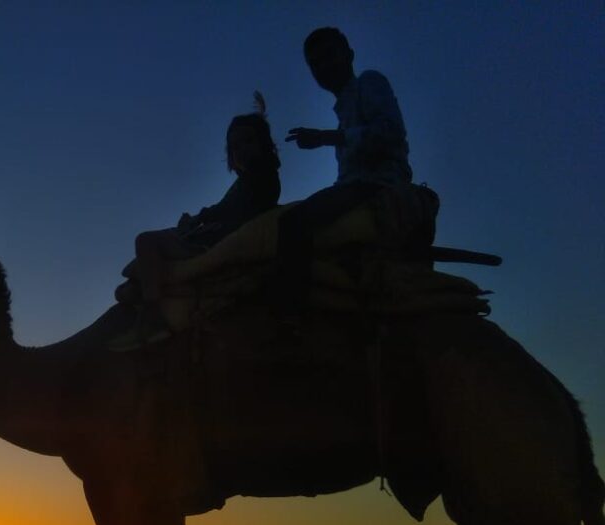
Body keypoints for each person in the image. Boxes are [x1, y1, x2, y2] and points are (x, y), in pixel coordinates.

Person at [110, 99, 281, 351]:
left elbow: (232, 213)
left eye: (248, 141)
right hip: (207, 237)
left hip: (211, 245)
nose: (241, 150)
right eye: (235, 147)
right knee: (137, 274)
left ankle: (153, 317)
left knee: (145, 241)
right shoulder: (245, 182)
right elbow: (222, 210)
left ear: (264, 143)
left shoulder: (262, 176)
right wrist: (198, 219)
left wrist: (201, 222)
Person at [277, 26, 412, 313]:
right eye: (315, 63)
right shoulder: (343, 112)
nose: (323, 67)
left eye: (329, 56)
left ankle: (288, 320)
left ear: (349, 55)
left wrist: (325, 138)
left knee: (293, 224)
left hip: (377, 188)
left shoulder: (370, 83)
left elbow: (389, 132)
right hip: (355, 189)